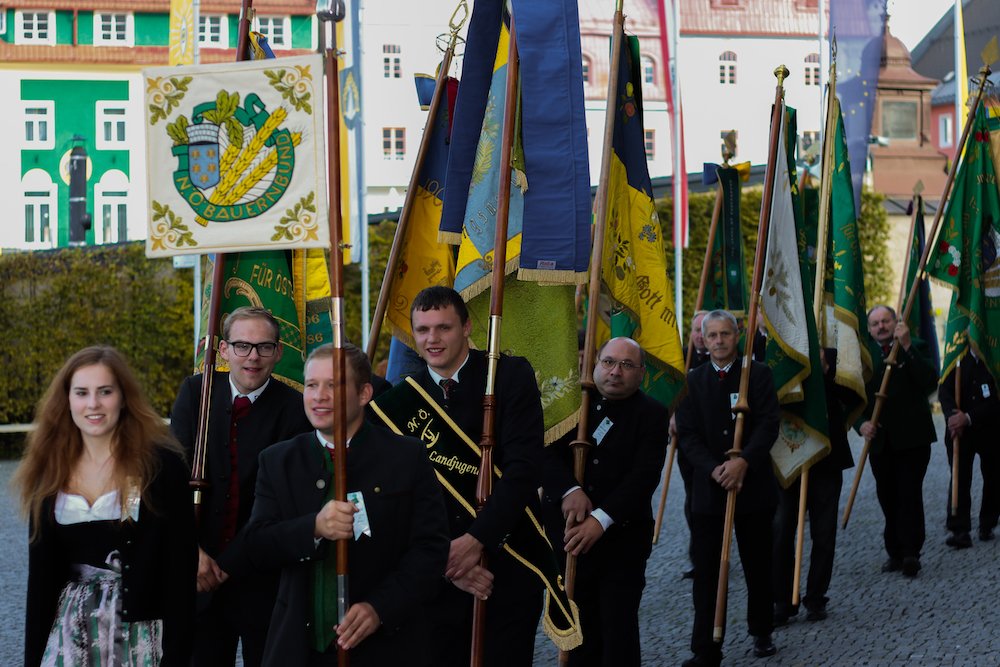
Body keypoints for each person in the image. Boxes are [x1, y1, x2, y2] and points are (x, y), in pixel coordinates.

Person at [243, 344, 450, 666]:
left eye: (334, 385)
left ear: (364, 393)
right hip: (299, 650)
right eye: (312, 385)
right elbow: (257, 545)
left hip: (387, 647)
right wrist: (313, 527)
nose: (319, 395)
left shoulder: (406, 456)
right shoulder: (277, 460)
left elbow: (430, 549)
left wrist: (380, 607)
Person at [16, 346, 197, 666]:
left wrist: (178, 656)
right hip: (69, 634)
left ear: (123, 398)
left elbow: (180, 575)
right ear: (67, 400)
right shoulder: (49, 472)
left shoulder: (161, 467)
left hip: (138, 635)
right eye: (82, 393)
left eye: (105, 392)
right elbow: (41, 584)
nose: (93, 404)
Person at [407, 286, 545, 667]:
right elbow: (402, 497)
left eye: (443, 327)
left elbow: (523, 469)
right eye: (422, 330)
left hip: (506, 570)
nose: (432, 339)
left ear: (467, 326)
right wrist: (449, 564)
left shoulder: (508, 375)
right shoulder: (404, 399)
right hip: (437, 580)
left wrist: (477, 540)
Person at [170, 306, 312, 667]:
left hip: (262, 581)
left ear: (278, 352)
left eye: (264, 347)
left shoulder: (296, 409)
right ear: (222, 350)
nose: (253, 357)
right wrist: (192, 553)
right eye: (242, 346)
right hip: (196, 577)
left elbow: (284, 502)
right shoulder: (195, 393)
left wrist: (229, 564)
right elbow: (172, 481)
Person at [542, 337, 669, 666]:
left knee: (618, 634)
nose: (616, 371)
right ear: (595, 364)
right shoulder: (567, 404)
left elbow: (643, 477)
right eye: (609, 362)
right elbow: (541, 454)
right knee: (577, 634)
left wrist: (601, 518)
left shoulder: (652, 414)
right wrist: (570, 490)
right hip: (567, 540)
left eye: (627, 365)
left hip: (622, 544)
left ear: (641, 373)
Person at [675, 309, 781, 667]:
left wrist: (743, 462)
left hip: (752, 485)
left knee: (757, 564)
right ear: (702, 340)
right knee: (706, 571)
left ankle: (762, 630)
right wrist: (715, 468)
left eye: (726, 334)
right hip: (709, 489)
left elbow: (768, 424)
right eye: (712, 336)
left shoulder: (759, 375)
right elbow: (686, 436)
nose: (719, 341)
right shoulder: (691, 380)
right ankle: (706, 646)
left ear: (738, 336)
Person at [772, 348, 855, 624]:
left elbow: (854, 397)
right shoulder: (778, 346)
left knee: (824, 531)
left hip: (826, 457)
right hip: (787, 454)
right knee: (782, 529)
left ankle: (817, 597)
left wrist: (827, 371)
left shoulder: (833, 352)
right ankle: (782, 599)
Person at [856, 305, 937, 577]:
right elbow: (852, 398)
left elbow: (929, 380)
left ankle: (911, 553)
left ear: (896, 322)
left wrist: (907, 346)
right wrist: (861, 424)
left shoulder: (916, 346)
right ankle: (894, 552)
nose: (881, 326)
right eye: (875, 323)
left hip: (912, 438)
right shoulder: (862, 355)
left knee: (908, 494)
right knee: (887, 496)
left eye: (886, 321)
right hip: (880, 440)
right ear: (869, 329)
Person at [938, 343, 1000, 547]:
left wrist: (970, 417)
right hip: (959, 430)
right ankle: (959, 529)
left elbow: (996, 399)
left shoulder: (994, 358)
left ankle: (987, 524)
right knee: (959, 476)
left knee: (993, 476)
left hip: (989, 428)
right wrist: (953, 418)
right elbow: (944, 391)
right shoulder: (955, 357)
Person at [672, 309, 710, 580]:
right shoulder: (681, 358)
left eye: (703, 330)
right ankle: (699, 557)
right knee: (693, 500)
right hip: (689, 443)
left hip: (719, 442)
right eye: (695, 330)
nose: (699, 336)